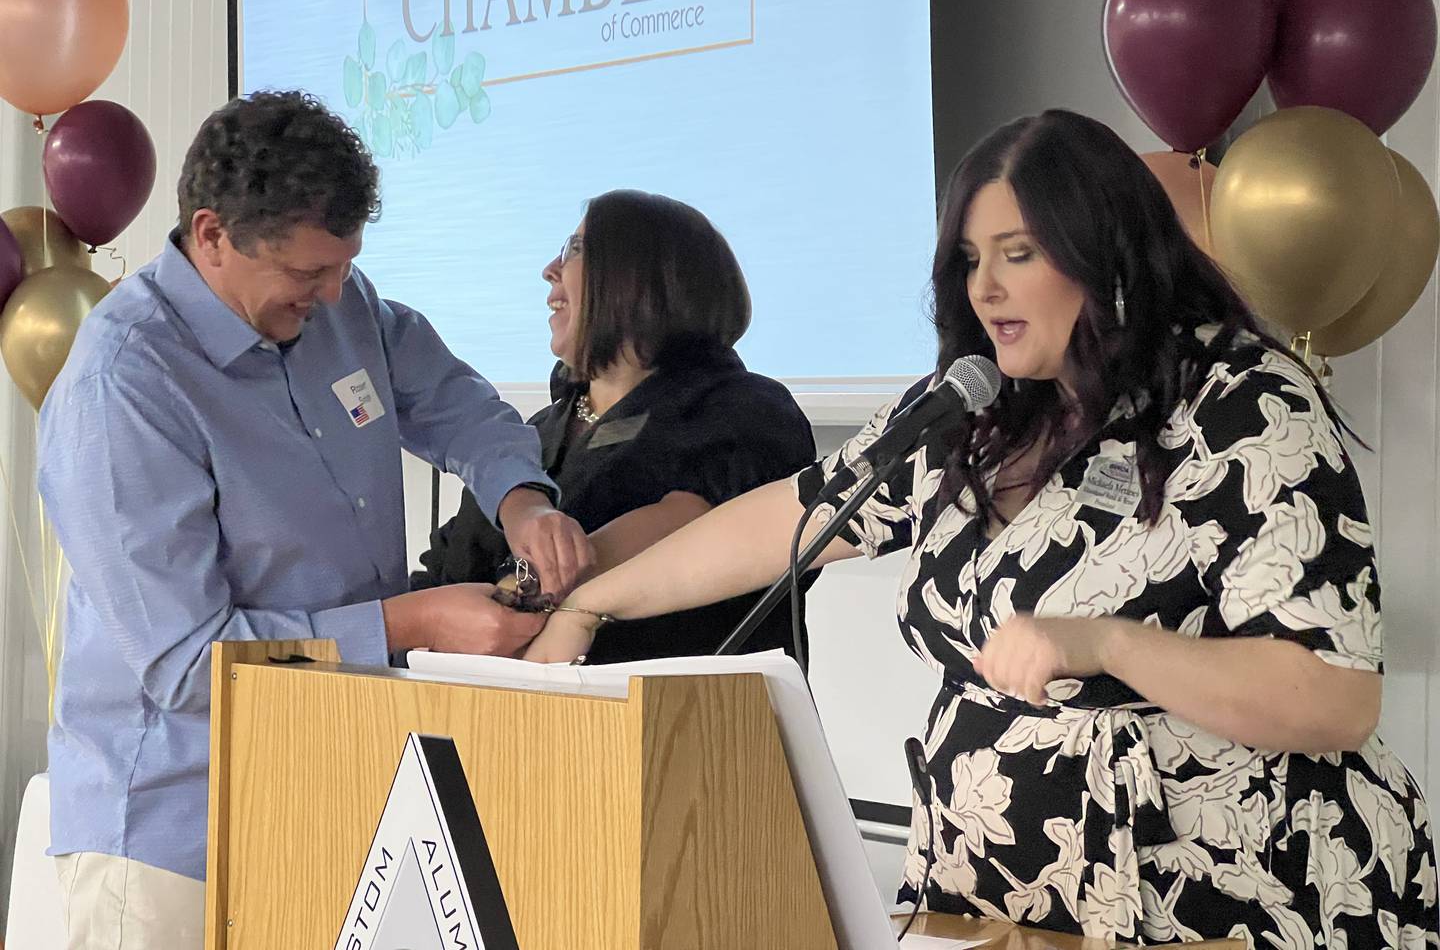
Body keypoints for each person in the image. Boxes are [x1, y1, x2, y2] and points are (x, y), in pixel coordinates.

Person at [524, 110, 1439, 945]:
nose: (986, 289)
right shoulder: (973, 408)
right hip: (997, 902)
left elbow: (1332, 698)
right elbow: (783, 521)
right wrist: (592, 605)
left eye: (1019, 254)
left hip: (1232, 904)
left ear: (1106, 251)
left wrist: (1107, 644)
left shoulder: (1245, 406)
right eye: (969, 259)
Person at [38, 90, 592, 950]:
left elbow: (457, 404)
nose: (334, 296)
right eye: (306, 276)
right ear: (213, 234)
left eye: (345, 267)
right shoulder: (123, 388)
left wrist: (519, 496)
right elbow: (188, 664)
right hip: (176, 835)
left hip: (330, 788)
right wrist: (412, 622)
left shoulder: (344, 301)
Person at [411, 188, 815, 663]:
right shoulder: (530, 438)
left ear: (643, 280)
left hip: (682, 719)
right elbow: (447, 572)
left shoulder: (744, 408)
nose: (549, 268)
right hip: (506, 719)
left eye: (576, 249)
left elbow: (689, 525)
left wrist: (513, 597)